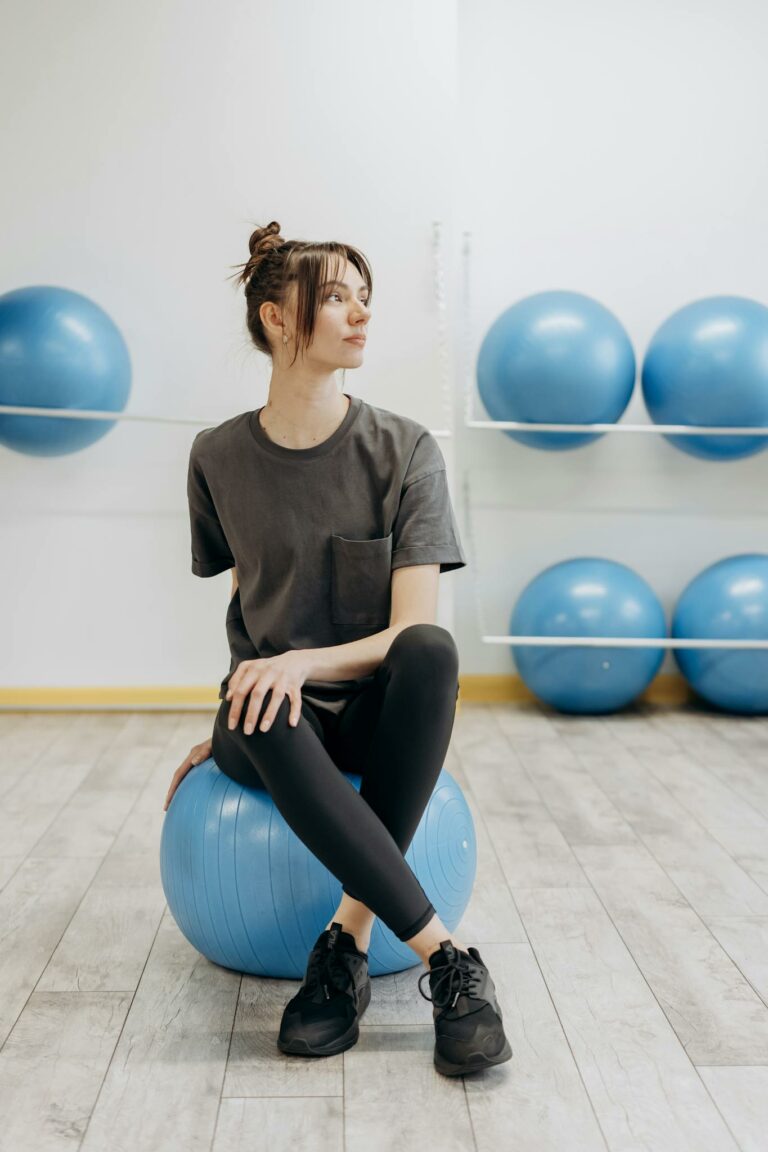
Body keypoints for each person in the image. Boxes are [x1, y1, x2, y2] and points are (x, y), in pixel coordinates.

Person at [164, 221, 512, 1077]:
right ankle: (448, 961)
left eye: (366, 299)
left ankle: (342, 947)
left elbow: (406, 633)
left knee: (431, 650)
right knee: (264, 697)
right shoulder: (215, 456)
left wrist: (301, 662)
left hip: (358, 708)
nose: (361, 317)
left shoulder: (405, 450)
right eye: (338, 299)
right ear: (279, 319)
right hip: (269, 720)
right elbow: (249, 608)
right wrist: (235, 718)